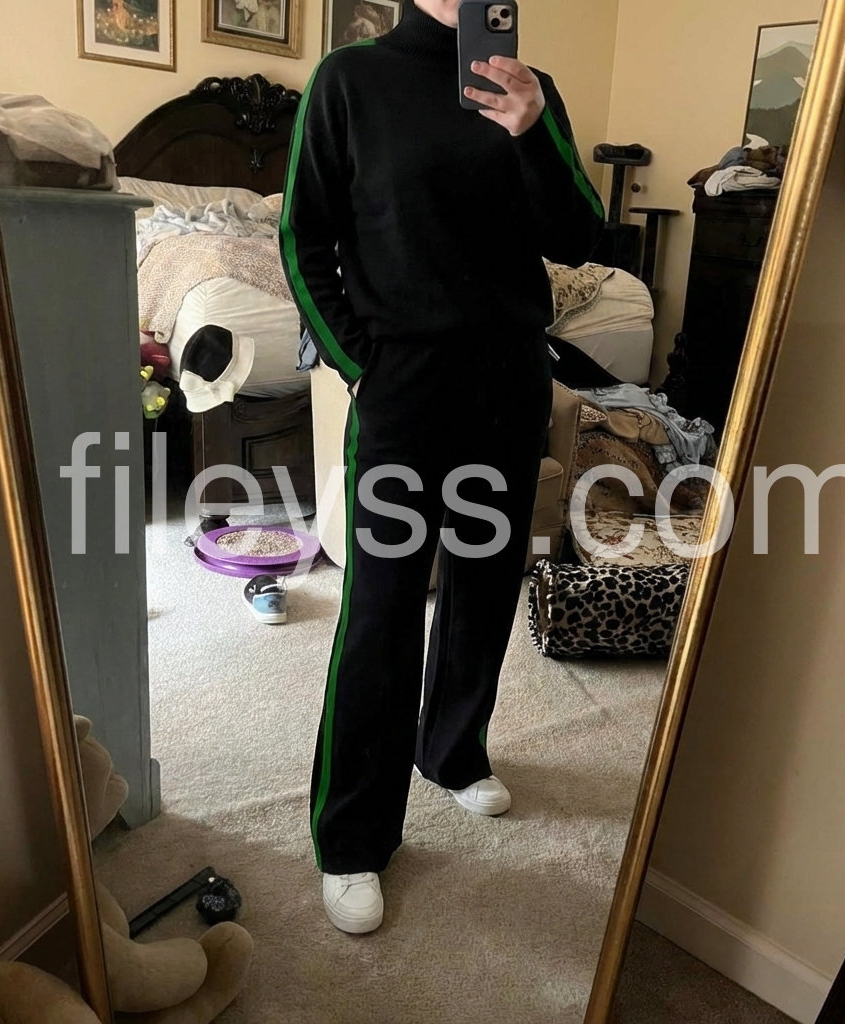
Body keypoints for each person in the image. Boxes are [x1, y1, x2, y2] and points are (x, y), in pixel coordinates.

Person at [279, 0, 604, 933]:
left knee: (487, 583)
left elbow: (582, 239)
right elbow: (302, 238)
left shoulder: (532, 89)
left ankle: (454, 751)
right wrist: (358, 366)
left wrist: (534, 131)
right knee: (381, 606)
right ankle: (352, 835)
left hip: (509, 380)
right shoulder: (349, 80)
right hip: (404, 389)